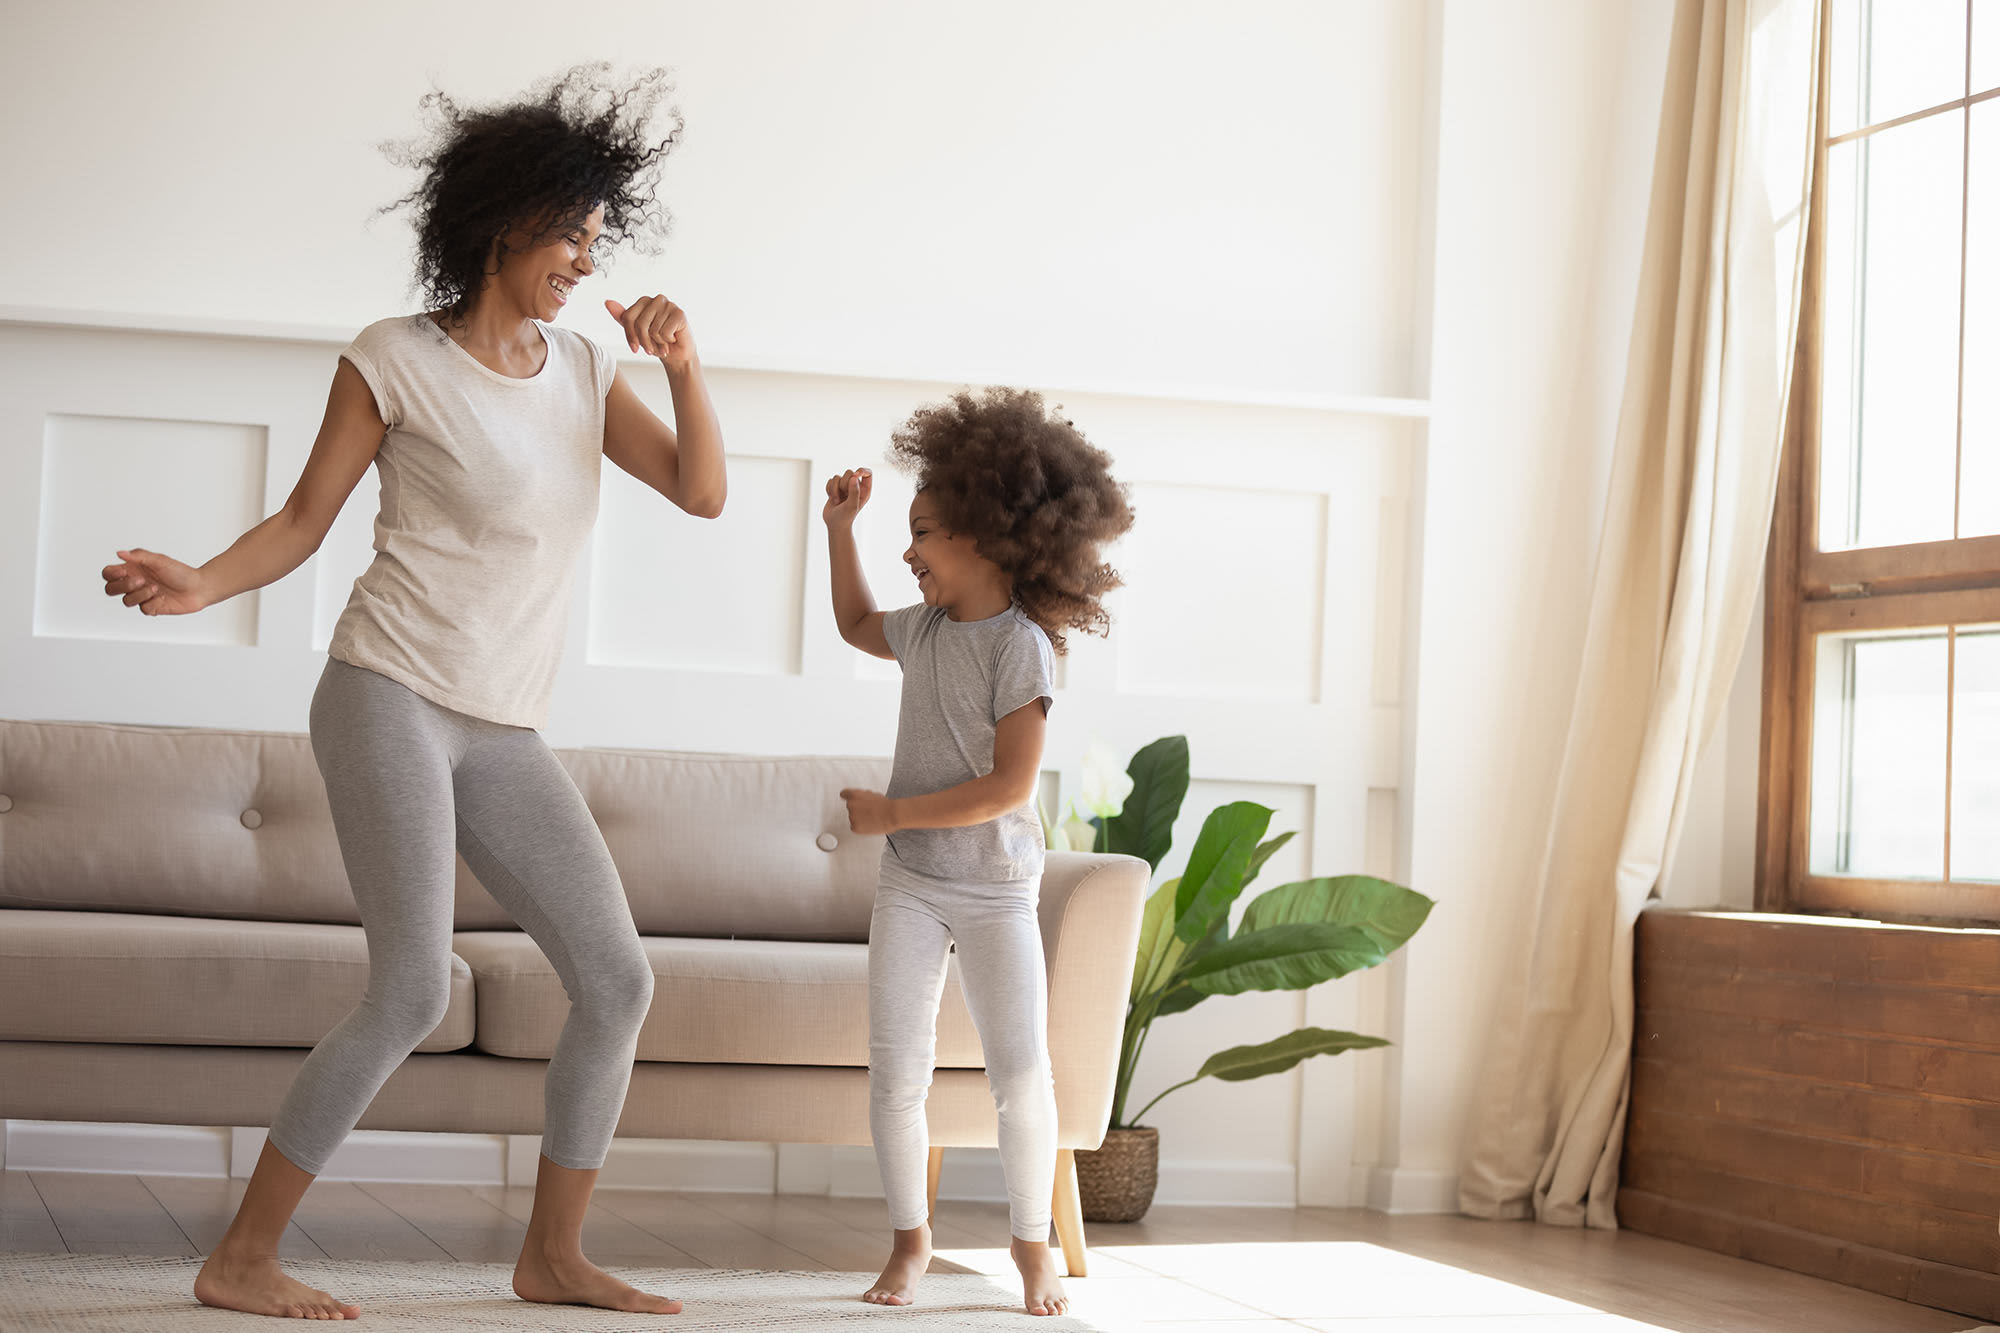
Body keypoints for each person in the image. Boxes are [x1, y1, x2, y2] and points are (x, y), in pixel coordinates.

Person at [98, 65, 719, 1321]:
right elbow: (301, 520)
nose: (584, 263)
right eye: (569, 236)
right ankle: (242, 1257)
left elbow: (702, 494)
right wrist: (201, 584)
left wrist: (686, 367)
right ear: (502, 222)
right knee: (415, 986)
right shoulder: (394, 360)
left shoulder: (589, 369)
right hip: (386, 692)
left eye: (600, 241)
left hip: (502, 725)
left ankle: (551, 1257)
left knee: (615, 978)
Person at [819, 388, 1135, 1317]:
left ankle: (1030, 1245)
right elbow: (851, 624)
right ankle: (910, 1243)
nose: (907, 550)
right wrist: (841, 528)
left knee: (1018, 1073)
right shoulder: (920, 631)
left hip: (996, 888)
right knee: (897, 1069)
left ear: (989, 540)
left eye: (923, 532)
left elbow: (1008, 789)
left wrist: (894, 812)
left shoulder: (1023, 649)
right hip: (913, 886)